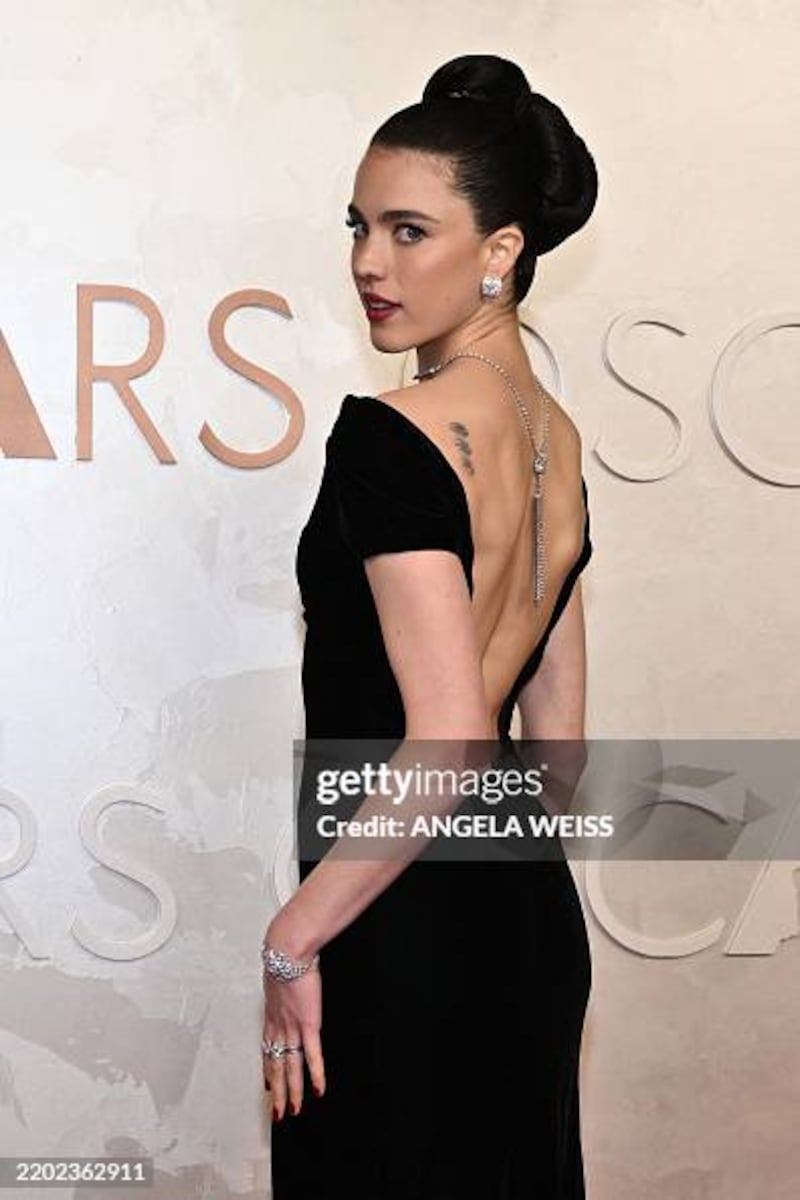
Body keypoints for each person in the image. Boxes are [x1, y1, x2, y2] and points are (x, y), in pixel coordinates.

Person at [262, 52, 598, 1199]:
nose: (367, 261)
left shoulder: (390, 433)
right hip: (523, 922)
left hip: (395, 929)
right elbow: (549, 758)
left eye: (409, 231)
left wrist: (293, 934)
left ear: (499, 251)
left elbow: (445, 735)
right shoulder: (556, 442)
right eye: (358, 225)